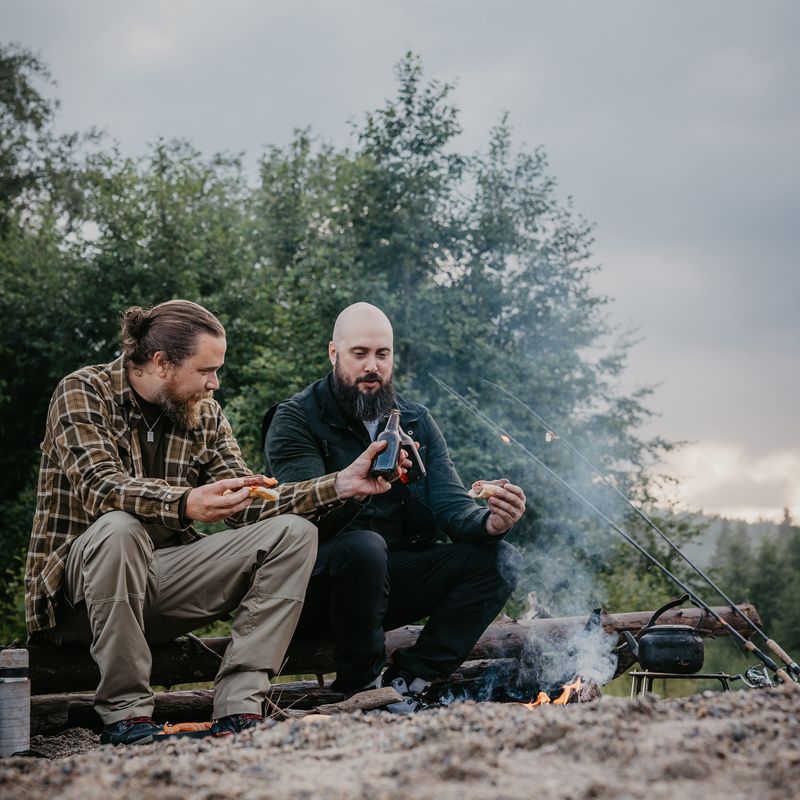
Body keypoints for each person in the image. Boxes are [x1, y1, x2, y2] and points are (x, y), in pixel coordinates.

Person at [24, 300, 399, 745]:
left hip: (158, 588)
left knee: (293, 532)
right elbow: (101, 486)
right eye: (206, 370)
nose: (214, 384)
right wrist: (186, 503)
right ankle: (126, 717)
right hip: (75, 602)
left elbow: (252, 505)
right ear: (162, 363)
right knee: (120, 527)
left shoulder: (205, 415)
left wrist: (341, 483)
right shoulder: (82, 391)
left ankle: (240, 709)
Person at [264, 302, 526, 712]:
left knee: (499, 560)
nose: (373, 366)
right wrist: (356, 488)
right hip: (315, 590)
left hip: (389, 584)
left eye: (382, 354)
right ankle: (361, 687)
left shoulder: (417, 421)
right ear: (334, 353)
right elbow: (299, 520)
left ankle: (411, 681)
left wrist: (491, 522)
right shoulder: (296, 418)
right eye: (360, 353)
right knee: (365, 547)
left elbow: (452, 507)